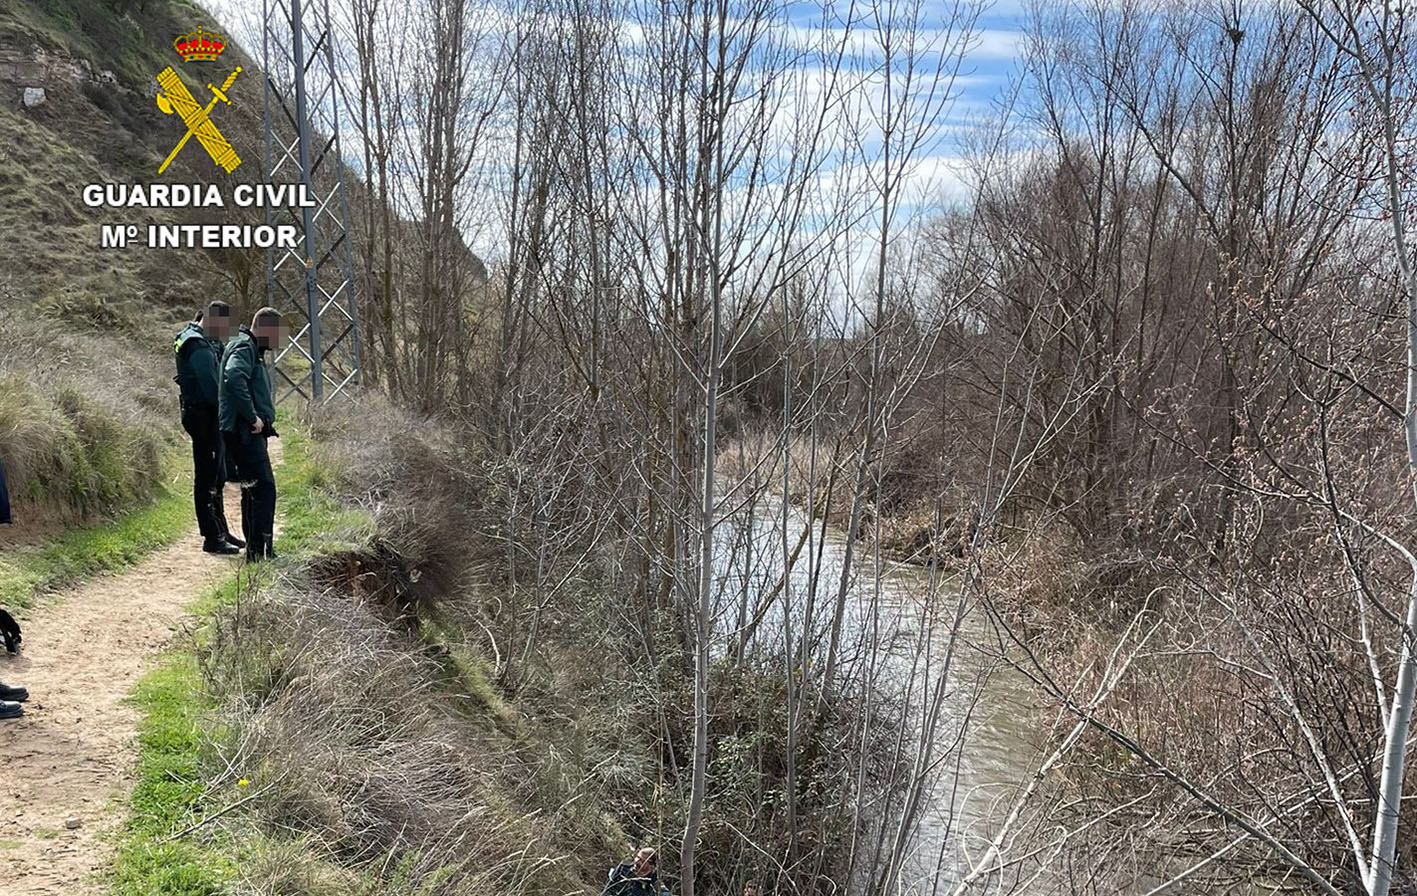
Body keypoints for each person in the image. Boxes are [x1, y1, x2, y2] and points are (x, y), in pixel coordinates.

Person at [174, 302, 243, 554]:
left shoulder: (202, 339)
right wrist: (230, 413)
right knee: (208, 477)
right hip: (204, 416)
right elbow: (212, 387)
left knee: (218, 475)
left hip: (206, 415)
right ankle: (212, 537)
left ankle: (220, 530)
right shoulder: (196, 344)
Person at [219, 306, 283, 563]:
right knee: (264, 489)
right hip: (244, 431)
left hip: (240, 430)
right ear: (265, 328)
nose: (278, 341)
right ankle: (260, 552)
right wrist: (252, 416)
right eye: (276, 334)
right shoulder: (245, 347)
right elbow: (233, 376)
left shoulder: (248, 347)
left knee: (253, 489)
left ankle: (257, 552)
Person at [604, 846, 672, 896]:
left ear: (651, 866)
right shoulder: (622, 869)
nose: (637, 861)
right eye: (637, 857)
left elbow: (665, 893)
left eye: (642, 861)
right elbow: (608, 889)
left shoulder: (654, 882)